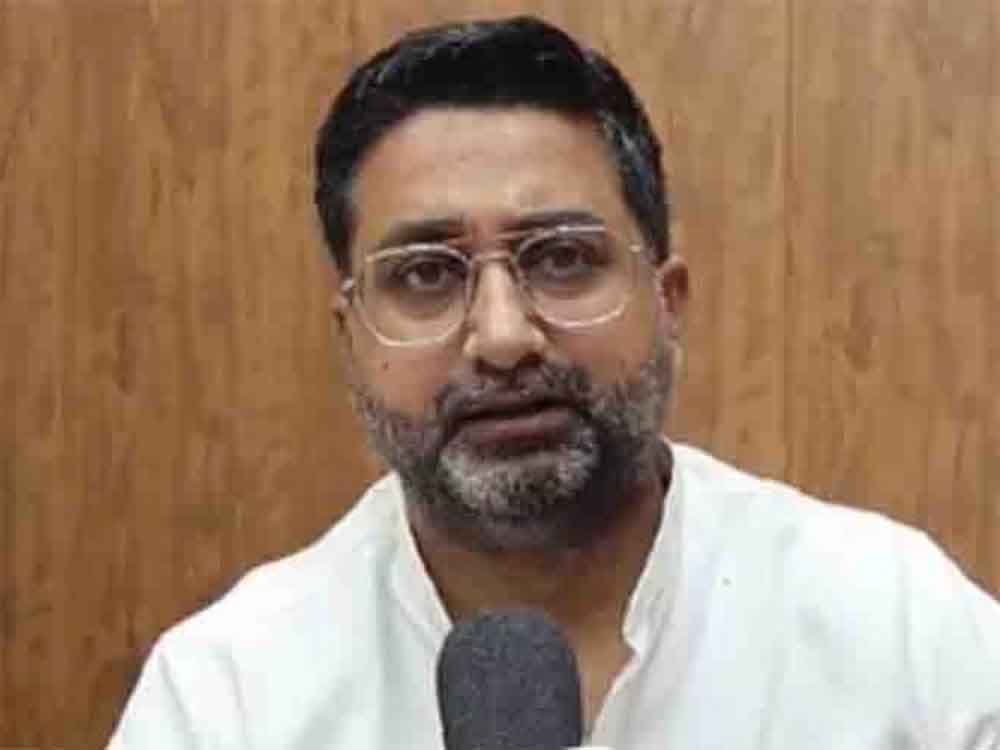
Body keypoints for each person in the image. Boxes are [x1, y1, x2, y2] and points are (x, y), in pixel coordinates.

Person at [109, 16, 1000, 749]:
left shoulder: (899, 631)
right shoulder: (229, 696)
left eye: (563, 258)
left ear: (668, 302)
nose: (502, 338)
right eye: (426, 274)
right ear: (352, 338)